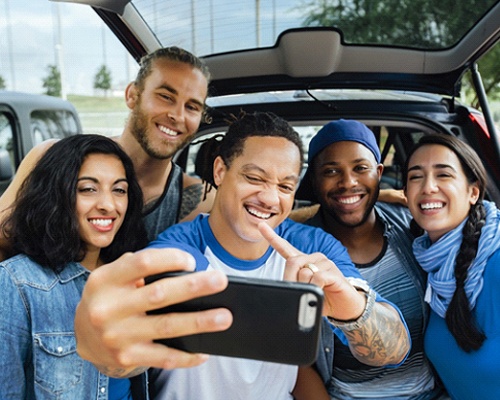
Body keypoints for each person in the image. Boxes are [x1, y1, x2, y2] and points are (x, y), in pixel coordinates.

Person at [145, 112, 410, 399]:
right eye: (255, 178)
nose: (270, 199)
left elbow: (394, 349)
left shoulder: (313, 248)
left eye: (285, 186)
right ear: (220, 171)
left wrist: (352, 309)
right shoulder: (181, 249)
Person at [0, 46, 216, 261]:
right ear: (132, 95)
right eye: (165, 96)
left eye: (192, 107)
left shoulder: (200, 201)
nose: (177, 116)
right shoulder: (49, 157)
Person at [296, 119, 445, 399]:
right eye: (330, 171)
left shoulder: (413, 225)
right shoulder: (299, 253)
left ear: (378, 172)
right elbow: (294, 362)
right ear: (314, 182)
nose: (348, 182)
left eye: (360, 168)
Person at [0, 135, 149, 399]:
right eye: (88, 189)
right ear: (57, 194)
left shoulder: (132, 275)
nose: (108, 205)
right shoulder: (17, 283)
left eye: (119, 190)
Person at [403, 134, 500, 400]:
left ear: (473, 192)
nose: (428, 187)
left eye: (443, 175)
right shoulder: (427, 260)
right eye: (415, 177)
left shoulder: (495, 258)